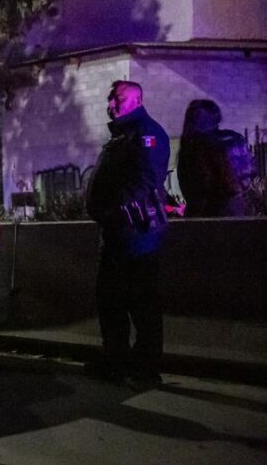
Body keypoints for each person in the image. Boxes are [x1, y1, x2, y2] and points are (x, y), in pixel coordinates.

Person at [84, 80, 170, 390]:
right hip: (120, 234)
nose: (112, 104)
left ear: (136, 100)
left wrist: (111, 212)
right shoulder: (125, 135)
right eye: (111, 98)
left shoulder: (146, 134)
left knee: (141, 304)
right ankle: (117, 362)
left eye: (118, 98)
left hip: (135, 235)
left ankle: (146, 368)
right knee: (111, 302)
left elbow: (144, 182)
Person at [177, 99, 256, 217]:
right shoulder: (234, 138)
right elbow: (251, 173)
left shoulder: (195, 145)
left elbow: (198, 183)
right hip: (237, 207)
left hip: (208, 212)